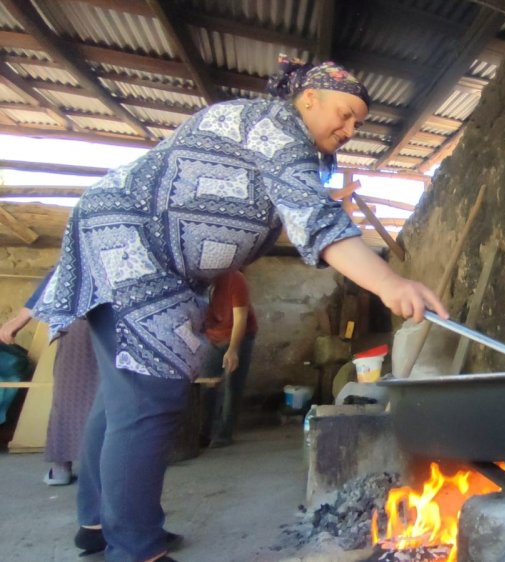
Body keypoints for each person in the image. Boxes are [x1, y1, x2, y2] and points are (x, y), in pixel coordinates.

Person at [31, 55, 447, 562]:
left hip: (132, 244)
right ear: (308, 98)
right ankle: (134, 549)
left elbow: (263, 204)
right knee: (148, 399)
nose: (350, 127)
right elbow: (315, 220)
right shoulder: (277, 128)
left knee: (122, 399)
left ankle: (99, 524)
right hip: (130, 246)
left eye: (358, 122)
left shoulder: (271, 135)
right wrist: (388, 282)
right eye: (344, 113)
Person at [0, 271, 99, 487]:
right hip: (127, 317)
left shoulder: (86, 238)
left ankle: (62, 467)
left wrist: (19, 320)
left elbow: (63, 270)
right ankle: (73, 466)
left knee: (72, 389)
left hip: (85, 315)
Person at [200, 269, 257, 448]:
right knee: (205, 385)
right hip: (214, 337)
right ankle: (203, 433)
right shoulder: (202, 283)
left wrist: (233, 350)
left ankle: (224, 434)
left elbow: (241, 318)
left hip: (240, 336)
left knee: (232, 386)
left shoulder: (235, 279)